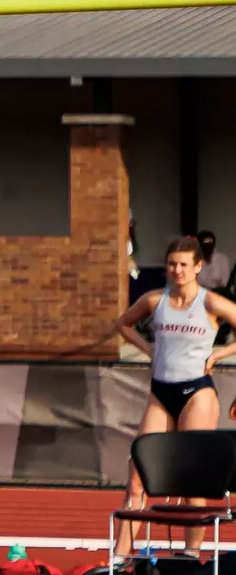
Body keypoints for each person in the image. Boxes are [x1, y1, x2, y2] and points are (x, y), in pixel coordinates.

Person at [114, 236, 236, 556]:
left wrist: (221, 353)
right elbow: (123, 324)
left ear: (198, 267)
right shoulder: (155, 300)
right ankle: (121, 557)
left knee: (191, 480)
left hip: (197, 392)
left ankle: (190, 556)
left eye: (184, 264)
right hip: (160, 393)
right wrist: (148, 348)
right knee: (138, 478)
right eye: (172, 264)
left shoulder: (211, 303)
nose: (177, 270)